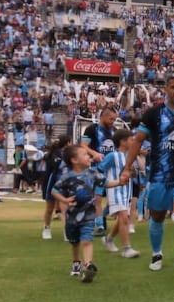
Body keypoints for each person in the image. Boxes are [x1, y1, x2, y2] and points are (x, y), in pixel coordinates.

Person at [118, 72, 174, 280]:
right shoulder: (154, 114)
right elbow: (138, 141)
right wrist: (127, 168)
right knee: (157, 216)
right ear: (166, 89)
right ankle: (156, 253)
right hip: (159, 175)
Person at [50, 145, 101, 283]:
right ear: (75, 160)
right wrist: (65, 200)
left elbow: (106, 182)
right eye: (85, 154)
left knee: (87, 240)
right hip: (72, 217)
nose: (89, 156)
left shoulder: (93, 173)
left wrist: (120, 181)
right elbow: (54, 190)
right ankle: (76, 262)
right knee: (74, 243)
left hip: (88, 215)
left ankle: (88, 266)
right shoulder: (67, 177)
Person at [99, 130, 140, 258]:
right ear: (122, 142)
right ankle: (127, 248)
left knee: (123, 218)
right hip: (115, 191)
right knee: (123, 217)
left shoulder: (129, 156)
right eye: (131, 139)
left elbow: (134, 174)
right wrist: (105, 184)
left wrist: (132, 171)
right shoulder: (112, 156)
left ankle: (109, 239)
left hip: (126, 192)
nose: (133, 142)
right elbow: (99, 170)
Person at [81, 106, 117, 236]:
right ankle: (100, 226)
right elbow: (83, 146)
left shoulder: (114, 131)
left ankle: (103, 216)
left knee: (115, 199)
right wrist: (94, 153)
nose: (113, 122)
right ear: (102, 116)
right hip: (96, 169)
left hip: (112, 170)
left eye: (114, 119)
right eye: (111, 119)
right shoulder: (92, 129)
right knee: (97, 198)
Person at [40, 135, 71, 240]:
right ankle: (46, 228)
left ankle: (67, 231)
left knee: (65, 208)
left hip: (65, 183)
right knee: (50, 207)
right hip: (52, 182)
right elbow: (57, 165)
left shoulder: (69, 153)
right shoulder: (55, 154)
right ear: (67, 143)